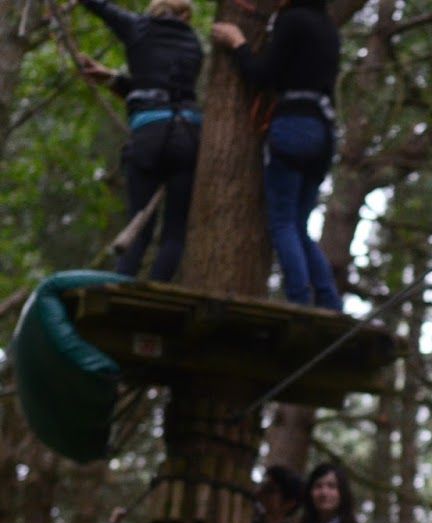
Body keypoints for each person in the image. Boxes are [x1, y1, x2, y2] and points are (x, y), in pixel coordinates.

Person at [211, 0, 341, 310]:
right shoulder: (328, 28)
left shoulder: (292, 20)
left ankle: (299, 301)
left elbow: (263, 75)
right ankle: (329, 302)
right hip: (322, 132)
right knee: (298, 224)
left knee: (283, 222)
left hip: (293, 126)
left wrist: (237, 43)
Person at [76, 0, 203, 282]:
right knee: (175, 231)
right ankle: (158, 287)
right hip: (187, 138)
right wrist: (113, 79)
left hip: (149, 137)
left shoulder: (140, 28)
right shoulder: (194, 44)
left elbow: (101, 7)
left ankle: (123, 285)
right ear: (184, 15)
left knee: (138, 225)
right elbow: (164, 88)